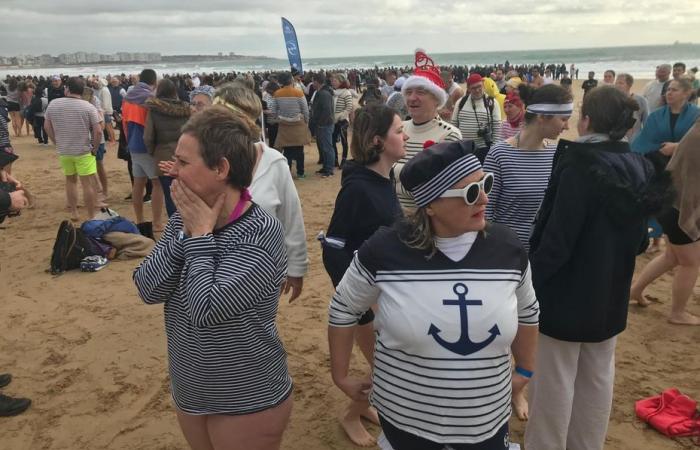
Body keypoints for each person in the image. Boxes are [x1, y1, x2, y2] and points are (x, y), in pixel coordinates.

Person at [328, 140, 539, 449]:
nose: (484, 198)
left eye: (486, 184)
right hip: (406, 421)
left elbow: (528, 312)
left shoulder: (508, 248)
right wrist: (341, 375)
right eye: (470, 193)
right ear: (430, 205)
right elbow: (343, 308)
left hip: (486, 420)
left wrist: (524, 368)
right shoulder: (384, 249)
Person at [133, 106, 293, 450]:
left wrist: (201, 238)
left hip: (247, 392)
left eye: (184, 163)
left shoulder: (260, 234)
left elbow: (206, 310)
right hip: (191, 384)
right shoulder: (185, 219)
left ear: (221, 168)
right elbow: (147, 287)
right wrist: (189, 233)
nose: (173, 173)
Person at [525, 86, 671, 450]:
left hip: (565, 293)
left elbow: (557, 240)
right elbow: (640, 241)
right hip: (610, 292)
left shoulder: (579, 165)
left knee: (555, 380)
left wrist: (530, 285)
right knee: (597, 378)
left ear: (585, 119)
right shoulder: (638, 165)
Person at [321, 104, 407, 447]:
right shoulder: (358, 189)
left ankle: (362, 407)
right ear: (378, 141)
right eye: (399, 131)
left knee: (387, 364)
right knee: (387, 367)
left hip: (386, 296)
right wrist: (358, 302)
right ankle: (351, 415)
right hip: (364, 302)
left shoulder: (386, 178)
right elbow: (333, 246)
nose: (405, 135)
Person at [484, 84, 572, 253]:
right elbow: (484, 212)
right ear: (542, 116)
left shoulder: (556, 154)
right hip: (505, 253)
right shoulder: (500, 154)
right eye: (563, 119)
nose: (567, 126)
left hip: (542, 255)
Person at [630, 125, 700, 324]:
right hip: (679, 207)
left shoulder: (695, 129)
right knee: (690, 261)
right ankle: (678, 313)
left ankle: (635, 291)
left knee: (671, 256)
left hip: (670, 199)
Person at [396, 49, 462, 210]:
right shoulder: (399, 129)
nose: (412, 98)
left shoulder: (450, 134)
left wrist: (394, 176)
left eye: (421, 92)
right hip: (391, 219)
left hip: (426, 222)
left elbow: (439, 189)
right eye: (409, 92)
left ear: (436, 99)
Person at [44, 76, 102, 221]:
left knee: (70, 181)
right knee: (86, 183)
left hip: (64, 150)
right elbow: (98, 131)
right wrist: (94, 148)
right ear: (82, 91)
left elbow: (47, 126)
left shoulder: (53, 104)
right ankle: (90, 215)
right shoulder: (88, 106)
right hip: (83, 150)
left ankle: (75, 212)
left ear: (67, 88)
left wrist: (55, 141)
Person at [122, 68, 165, 234]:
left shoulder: (128, 98)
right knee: (157, 183)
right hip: (147, 147)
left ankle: (139, 219)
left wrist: (128, 141)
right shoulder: (150, 99)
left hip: (133, 145)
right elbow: (154, 126)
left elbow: (125, 124)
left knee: (138, 182)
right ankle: (157, 222)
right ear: (153, 82)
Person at [144, 78, 191, 217]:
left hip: (163, 156)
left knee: (170, 195)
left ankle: (175, 228)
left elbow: (148, 137)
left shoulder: (154, 111)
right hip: (185, 156)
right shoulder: (186, 109)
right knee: (187, 193)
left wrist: (152, 152)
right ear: (174, 91)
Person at [451, 73, 502, 162]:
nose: (477, 90)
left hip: (484, 149)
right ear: (468, 89)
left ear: (483, 85)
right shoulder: (461, 102)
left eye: (479, 86)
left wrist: (493, 152)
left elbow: (497, 128)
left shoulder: (492, 103)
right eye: (473, 88)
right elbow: (454, 126)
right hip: (463, 149)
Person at [273, 72, 310, 179]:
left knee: (287, 151)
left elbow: (274, 110)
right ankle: (300, 173)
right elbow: (305, 110)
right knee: (299, 151)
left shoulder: (277, 93)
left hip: (284, 125)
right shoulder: (298, 93)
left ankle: (287, 173)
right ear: (291, 80)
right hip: (298, 124)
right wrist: (306, 121)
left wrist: (277, 118)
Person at [311, 72, 336, 178]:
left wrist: (320, 122)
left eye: (313, 81)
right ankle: (326, 167)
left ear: (317, 81)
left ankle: (329, 169)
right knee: (323, 147)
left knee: (327, 147)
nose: (312, 83)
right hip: (324, 123)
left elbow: (326, 111)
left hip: (325, 124)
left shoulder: (323, 93)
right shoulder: (322, 92)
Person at [614, 73, 649, 140]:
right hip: (617, 140)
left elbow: (646, 122)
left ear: (629, 85)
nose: (617, 85)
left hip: (635, 139)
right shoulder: (612, 100)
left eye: (621, 83)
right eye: (616, 83)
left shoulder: (641, 100)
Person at [331, 72, 354, 168]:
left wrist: (341, 116)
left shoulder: (346, 92)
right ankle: (335, 160)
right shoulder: (333, 92)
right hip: (333, 120)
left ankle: (344, 161)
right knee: (332, 141)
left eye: (335, 80)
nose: (333, 82)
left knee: (344, 141)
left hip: (343, 121)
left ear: (341, 81)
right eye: (332, 81)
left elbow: (349, 107)